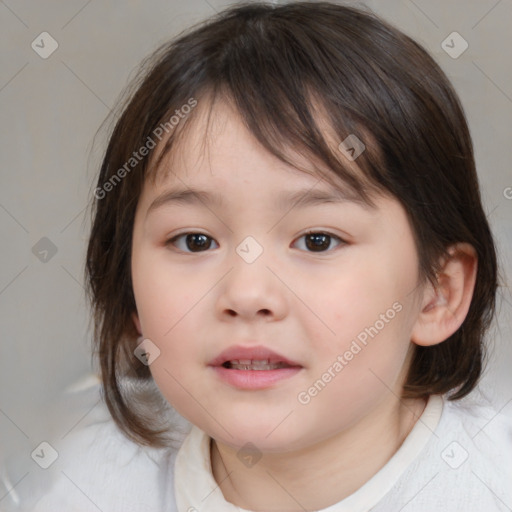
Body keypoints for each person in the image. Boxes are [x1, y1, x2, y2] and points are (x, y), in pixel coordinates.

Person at [21, 1, 512, 511]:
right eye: (195, 241)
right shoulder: (79, 486)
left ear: (438, 292)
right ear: (131, 294)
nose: (247, 294)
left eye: (318, 240)